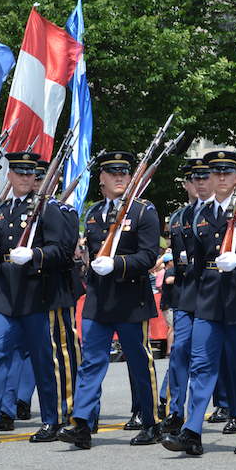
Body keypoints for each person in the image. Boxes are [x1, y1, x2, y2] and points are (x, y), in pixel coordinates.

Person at [161, 150, 236, 457]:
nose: (221, 178)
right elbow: (194, 265)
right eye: (215, 173)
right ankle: (192, 431)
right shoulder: (201, 214)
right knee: (201, 366)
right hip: (208, 301)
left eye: (226, 173)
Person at [0, 152, 76, 444]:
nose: (26, 178)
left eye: (31, 173)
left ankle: (55, 418)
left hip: (39, 295)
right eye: (20, 173)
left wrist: (35, 255)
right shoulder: (1, 210)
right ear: (9, 176)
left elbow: (61, 252)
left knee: (44, 360)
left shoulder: (47, 209)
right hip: (7, 296)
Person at [57, 151, 161, 449]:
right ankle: (83, 423)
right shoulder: (92, 213)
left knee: (140, 362)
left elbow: (148, 255)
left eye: (124, 172)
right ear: (101, 179)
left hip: (130, 298)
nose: (120, 177)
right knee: (91, 361)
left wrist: (117, 264)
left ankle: (151, 421)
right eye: (113, 172)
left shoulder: (143, 211)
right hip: (99, 299)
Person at [160, 158, 206, 435]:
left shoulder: (219, 214)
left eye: (203, 178)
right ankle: (176, 411)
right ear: (186, 184)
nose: (198, 184)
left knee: (213, 358)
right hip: (185, 295)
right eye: (193, 179)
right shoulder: (178, 218)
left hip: (212, 294)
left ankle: (234, 410)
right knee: (179, 352)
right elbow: (177, 258)